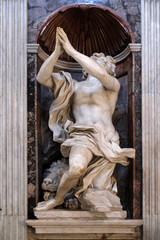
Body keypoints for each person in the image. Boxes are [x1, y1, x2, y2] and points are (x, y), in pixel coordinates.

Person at [35, 27, 135, 211]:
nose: (93, 64)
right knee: (76, 169)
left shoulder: (112, 85)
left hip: (107, 139)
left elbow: (100, 74)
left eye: (97, 62)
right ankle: (57, 199)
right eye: (91, 61)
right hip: (82, 136)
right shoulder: (73, 86)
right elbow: (42, 77)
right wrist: (58, 52)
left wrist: (71, 51)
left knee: (97, 192)